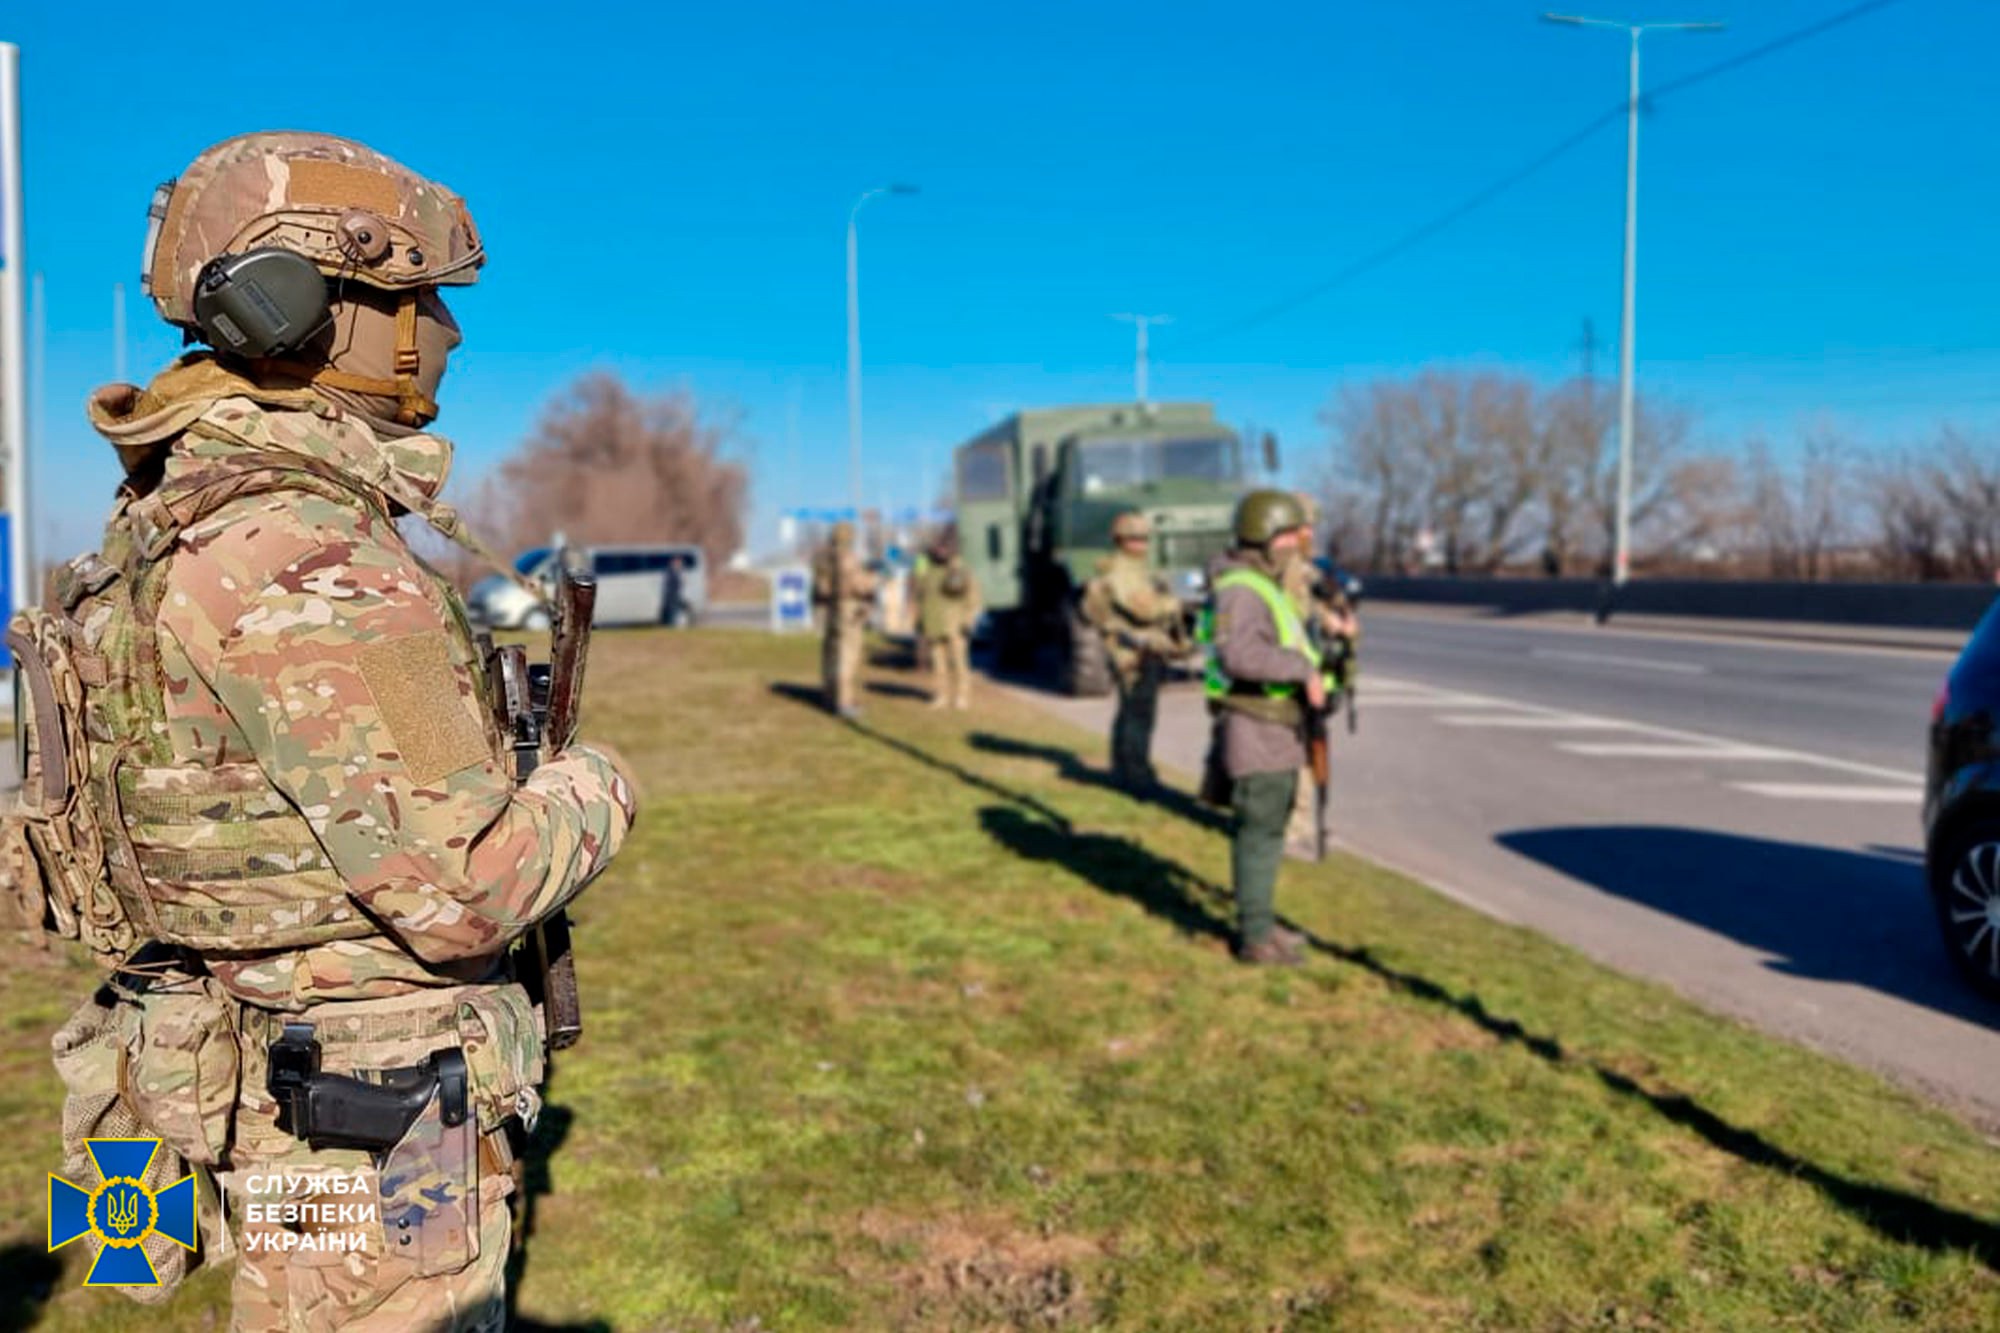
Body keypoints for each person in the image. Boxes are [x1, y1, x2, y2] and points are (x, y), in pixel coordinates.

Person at [8, 132, 639, 1329]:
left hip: (217, 1047)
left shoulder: (157, 527)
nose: (448, 330)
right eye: (422, 297)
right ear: (320, 310)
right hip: (358, 1106)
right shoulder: (314, 561)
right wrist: (593, 785)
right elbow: (470, 887)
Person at [1203, 490, 1326, 965]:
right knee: (1257, 834)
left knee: (1268, 833)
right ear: (1269, 534)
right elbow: (1239, 655)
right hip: (1257, 730)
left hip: (1275, 728)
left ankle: (1262, 924)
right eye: (1292, 533)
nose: (1299, 542)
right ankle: (1255, 937)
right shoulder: (1242, 588)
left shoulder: (1261, 584)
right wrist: (1302, 670)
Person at [1279, 493, 1360, 856]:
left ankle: (1303, 824)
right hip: (1297, 676)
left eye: (1311, 526)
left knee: (1311, 753)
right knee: (1300, 755)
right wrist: (1331, 623)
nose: (1309, 533)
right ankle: (1295, 829)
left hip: (1313, 675)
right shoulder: (1289, 567)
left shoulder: (1308, 566)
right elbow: (1299, 612)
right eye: (1304, 526)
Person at [1081, 510, 1184, 790]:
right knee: (1139, 711)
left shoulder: (1133, 568)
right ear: (1120, 541)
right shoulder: (1122, 571)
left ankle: (1123, 768)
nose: (1141, 545)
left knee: (1130, 710)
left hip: (1135, 648)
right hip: (1132, 651)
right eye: (1134, 539)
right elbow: (1145, 609)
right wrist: (1173, 604)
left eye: (1144, 539)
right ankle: (1137, 775)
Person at [813, 520, 878, 717]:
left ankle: (829, 696)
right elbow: (858, 585)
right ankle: (844, 702)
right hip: (848, 609)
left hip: (830, 609)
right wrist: (872, 577)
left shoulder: (823, 559)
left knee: (831, 655)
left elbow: (820, 588)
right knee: (847, 656)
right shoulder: (848, 558)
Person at [916, 528, 982, 709]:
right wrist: (921, 621)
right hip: (934, 624)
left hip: (955, 624)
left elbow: (973, 597)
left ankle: (962, 697)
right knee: (938, 665)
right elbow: (922, 596)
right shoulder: (928, 570)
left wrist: (969, 621)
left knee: (960, 663)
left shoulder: (960, 569)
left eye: (943, 549)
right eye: (937, 549)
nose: (939, 552)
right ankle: (941, 695)